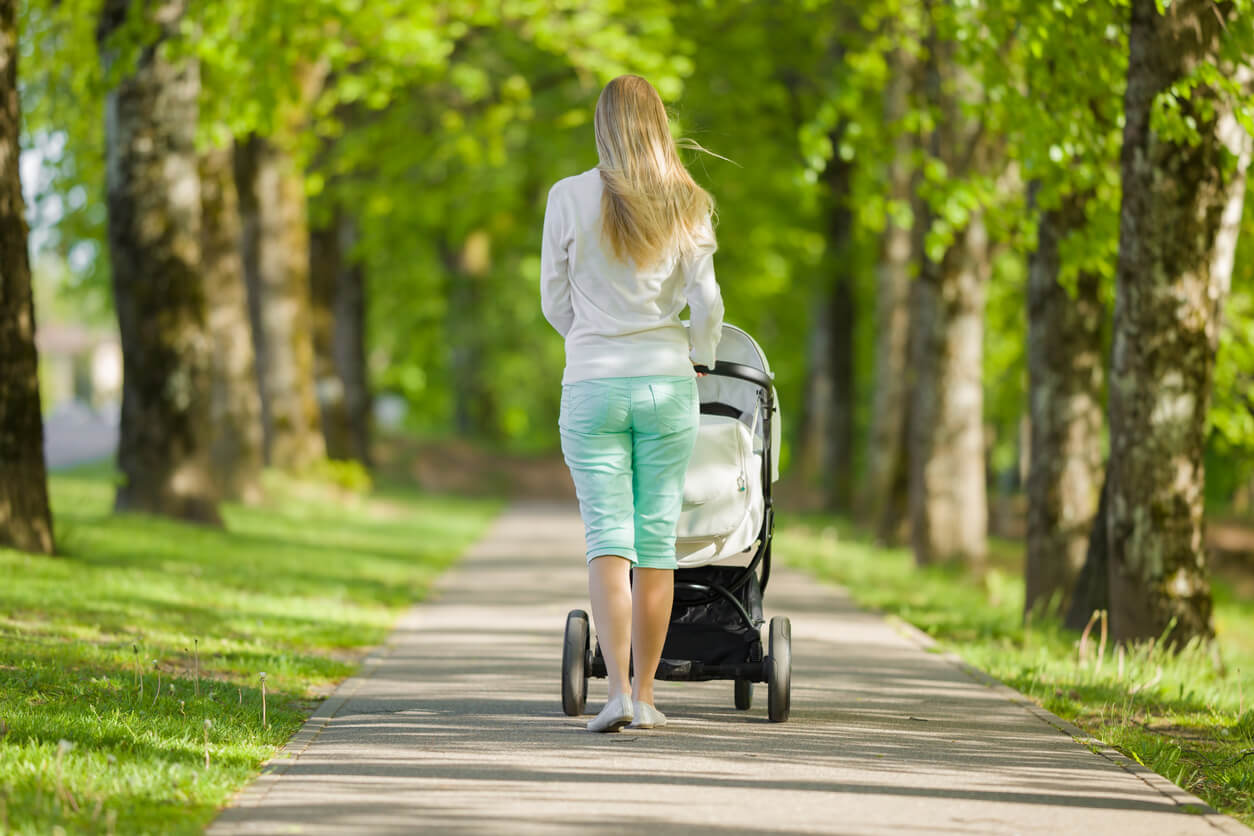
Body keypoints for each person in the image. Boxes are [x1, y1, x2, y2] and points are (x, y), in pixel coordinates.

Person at [540, 74, 725, 733]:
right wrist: (698, 355)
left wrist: (591, 341)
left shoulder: (566, 197)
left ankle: (615, 692)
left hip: (591, 384)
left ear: (601, 126)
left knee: (607, 541)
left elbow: (552, 302)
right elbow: (708, 305)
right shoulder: (687, 200)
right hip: (665, 381)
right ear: (658, 125)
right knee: (656, 543)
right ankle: (646, 697)